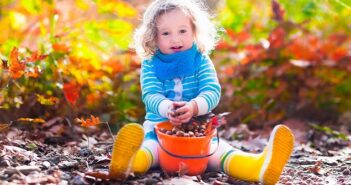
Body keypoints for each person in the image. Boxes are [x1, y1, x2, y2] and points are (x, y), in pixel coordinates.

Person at [109, 0, 294, 184]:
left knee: (219, 151)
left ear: (194, 31)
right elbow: (150, 95)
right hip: (161, 134)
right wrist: (168, 109)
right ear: (153, 37)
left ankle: (258, 167)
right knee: (151, 150)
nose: (176, 39)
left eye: (182, 31)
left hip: (198, 136)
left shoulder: (201, 60)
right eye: (166, 33)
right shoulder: (150, 63)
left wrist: (194, 107)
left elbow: (211, 90)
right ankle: (128, 164)